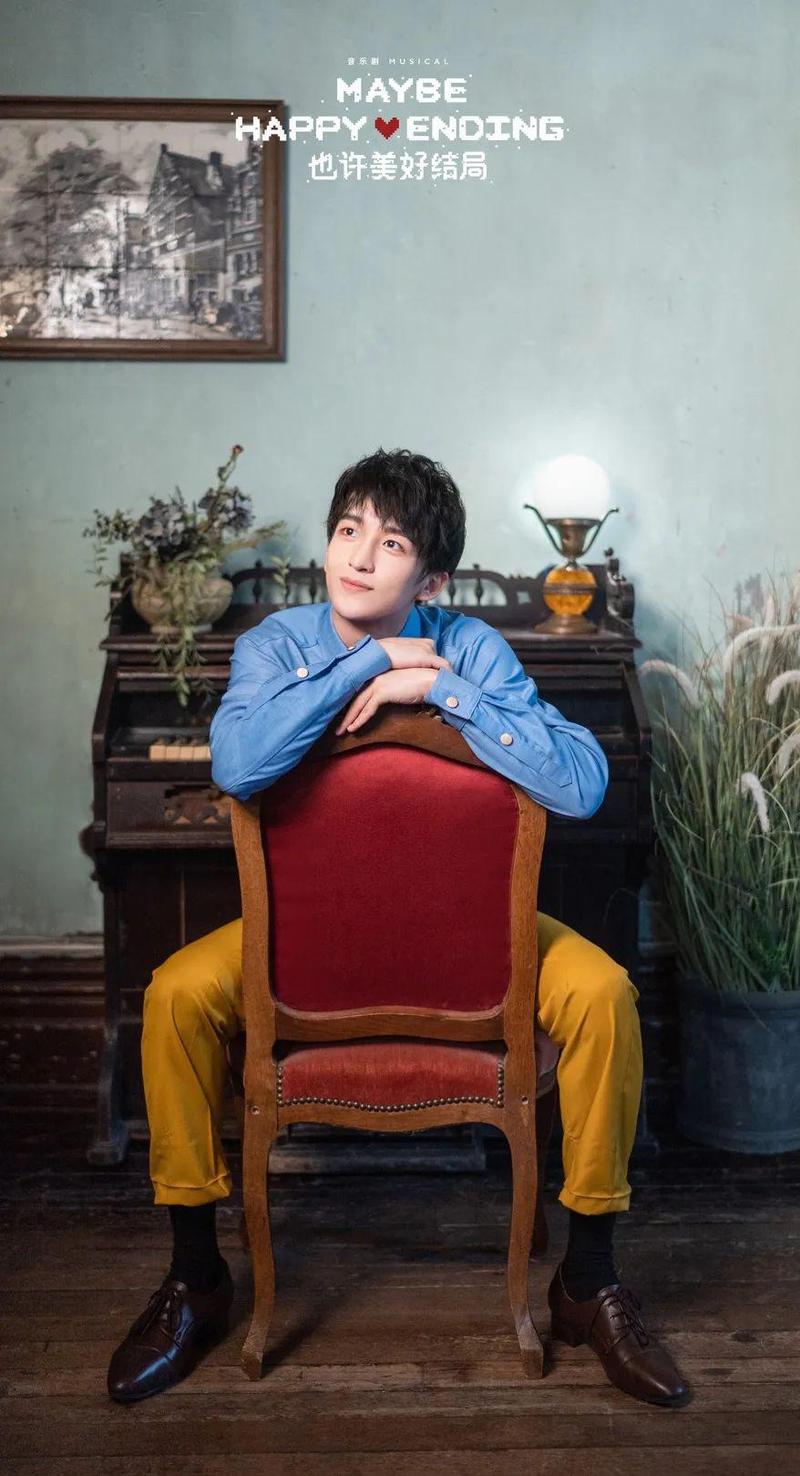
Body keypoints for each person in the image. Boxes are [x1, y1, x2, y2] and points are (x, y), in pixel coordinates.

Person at [107, 448, 690, 1408]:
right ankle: (194, 1278)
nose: (359, 556)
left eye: (391, 543)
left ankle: (589, 1280)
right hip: (301, 934)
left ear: (432, 580)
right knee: (174, 997)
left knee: (605, 995)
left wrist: (440, 690)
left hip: (480, 931)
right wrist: (373, 662)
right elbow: (238, 763)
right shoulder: (276, 644)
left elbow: (583, 783)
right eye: (348, 531)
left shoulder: (470, 646)